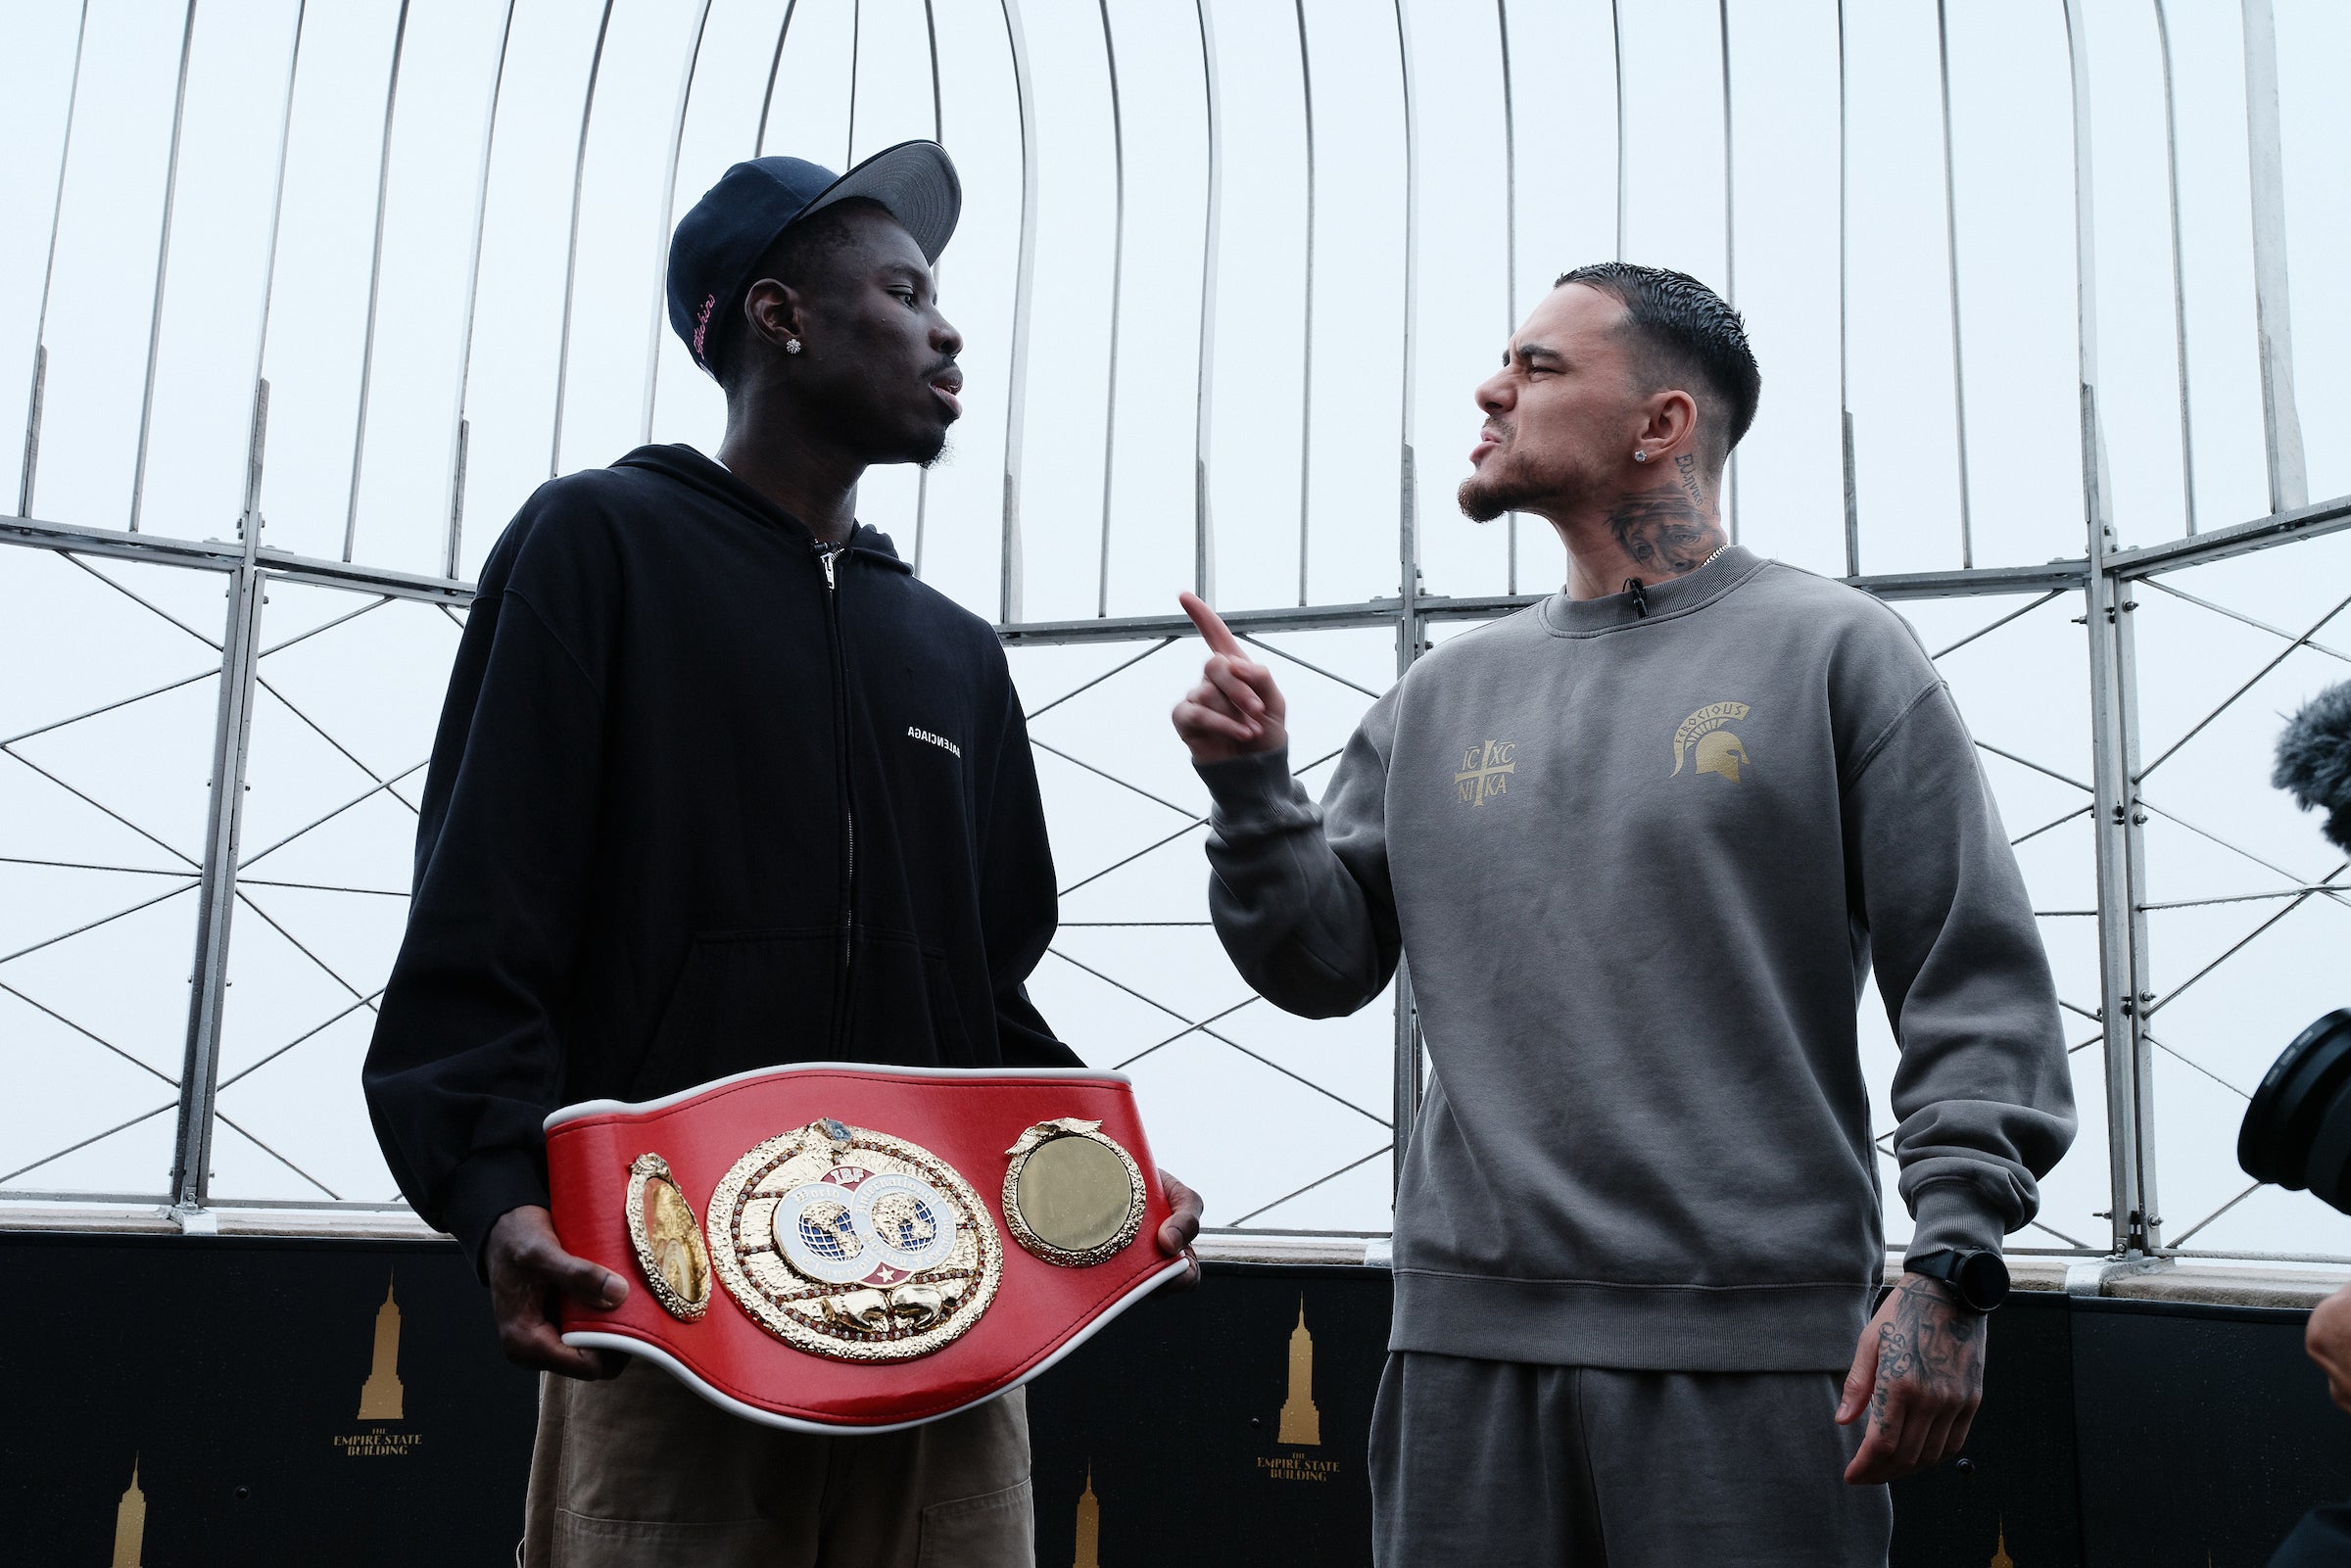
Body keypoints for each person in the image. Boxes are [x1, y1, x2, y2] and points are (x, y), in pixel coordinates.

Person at [363, 142, 1200, 1568]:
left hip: (948, 1325)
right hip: (669, 1314)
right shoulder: (596, 544)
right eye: (904, 287)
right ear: (778, 316)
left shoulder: (953, 650)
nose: (947, 327)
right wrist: (495, 1195)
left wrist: (1107, 1168)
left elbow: (985, 995)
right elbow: (483, 917)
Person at [1170, 261, 2074, 1565]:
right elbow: (1321, 965)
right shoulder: (1439, 696)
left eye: (1538, 366)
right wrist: (1252, 790)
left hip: (1756, 1359)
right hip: (1464, 1355)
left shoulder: (1837, 651)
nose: (1492, 386)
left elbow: (1971, 981)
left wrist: (1952, 1262)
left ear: (1661, 426)